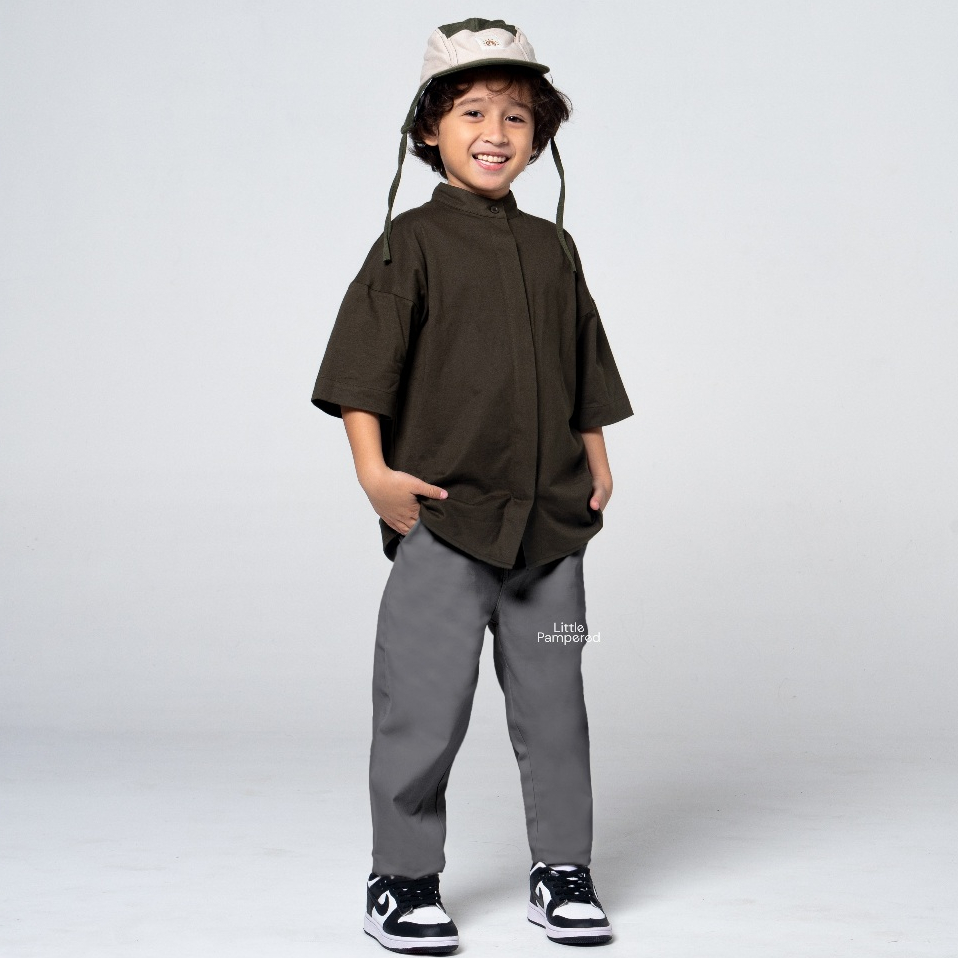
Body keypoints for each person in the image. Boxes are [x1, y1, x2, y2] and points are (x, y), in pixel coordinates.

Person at [311, 17, 633, 954]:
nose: (497, 132)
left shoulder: (554, 250)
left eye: (518, 117)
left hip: (552, 537)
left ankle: (561, 870)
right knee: (422, 704)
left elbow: (583, 364)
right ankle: (402, 879)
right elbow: (362, 372)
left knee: (556, 703)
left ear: (540, 137)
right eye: (474, 112)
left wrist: (596, 456)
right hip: (445, 528)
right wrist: (375, 476)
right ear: (429, 129)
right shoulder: (408, 245)